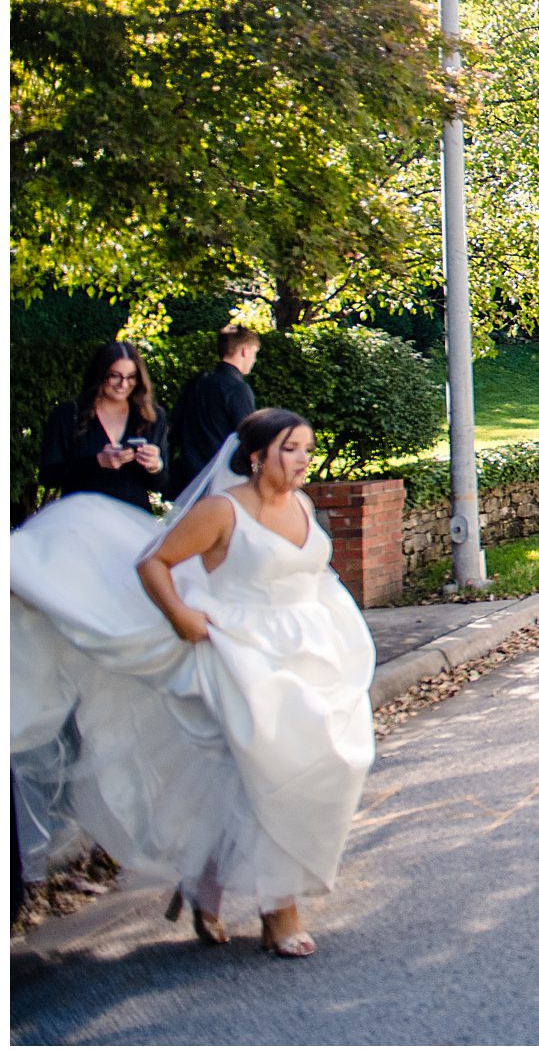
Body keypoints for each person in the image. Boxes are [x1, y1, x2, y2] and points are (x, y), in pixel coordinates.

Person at [10, 408, 375, 959]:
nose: (303, 458)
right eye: (291, 448)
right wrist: (182, 616)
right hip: (237, 651)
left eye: (306, 447)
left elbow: (306, 571)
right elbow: (154, 563)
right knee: (268, 768)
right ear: (256, 456)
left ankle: (203, 885)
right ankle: (282, 911)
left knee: (332, 760)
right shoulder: (221, 511)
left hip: (308, 652)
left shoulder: (300, 504)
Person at [36, 343, 169, 511]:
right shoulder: (69, 414)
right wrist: (97, 462)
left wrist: (155, 466)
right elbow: (48, 475)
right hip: (79, 520)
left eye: (131, 377)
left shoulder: (151, 417)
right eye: (115, 376)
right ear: (100, 374)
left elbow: (161, 483)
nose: (123, 384)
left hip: (132, 523)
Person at [167, 325, 260, 493]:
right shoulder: (238, 389)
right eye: (254, 354)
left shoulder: (194, 384)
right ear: (245, 351)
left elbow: (173, 432)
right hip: (222, 481)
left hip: (187, 480)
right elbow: (247, 439)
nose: (254, 360)